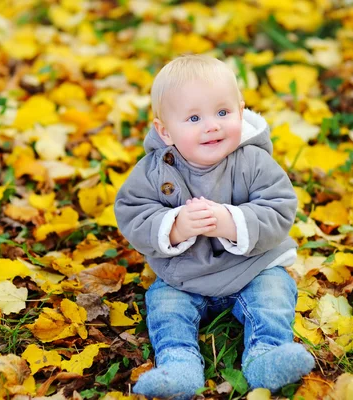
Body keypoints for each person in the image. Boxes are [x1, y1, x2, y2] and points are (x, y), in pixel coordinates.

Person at [114, 54, 314, 399]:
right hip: (184, 275)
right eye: (194, 117)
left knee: (273, 293)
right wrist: (174, 226)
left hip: (252, 266)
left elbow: (280, 207)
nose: (212, 126)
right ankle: (179, 365)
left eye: (223, 113)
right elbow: (132, 211)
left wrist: (231, 222)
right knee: (165, 304)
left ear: (240, 109)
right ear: (165, 130)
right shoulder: (154, 170)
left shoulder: (253, 161)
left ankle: (266, 355)